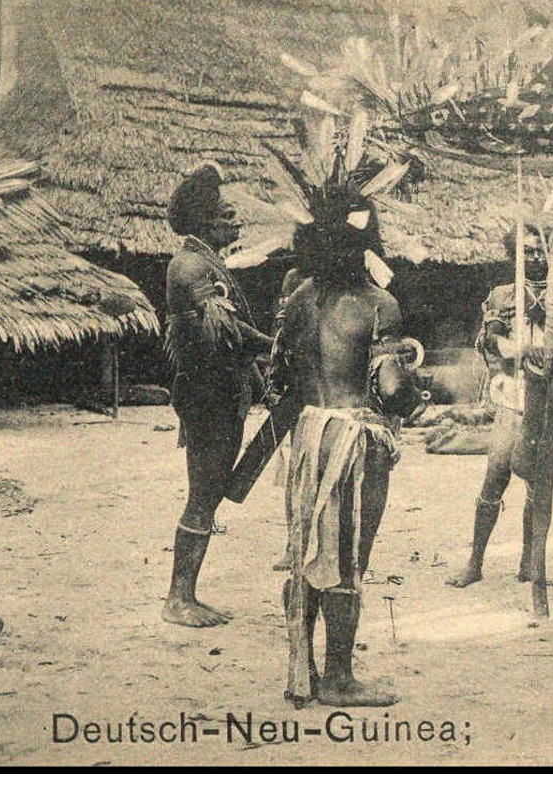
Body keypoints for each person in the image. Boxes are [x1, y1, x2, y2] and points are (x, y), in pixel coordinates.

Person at [271, 161, 429, 707]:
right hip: (353, 441)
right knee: (347, 558)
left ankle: (302, 671)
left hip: (307, 432)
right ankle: (338, 677)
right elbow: (390, 390)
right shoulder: (377, 304)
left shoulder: (298, 298)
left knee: (307, 553)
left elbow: (277, 377)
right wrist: (414, 378)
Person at [445, 225, 553, 590]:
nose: (536, 257)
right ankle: (475, 562)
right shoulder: (502, 296)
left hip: (548, 399)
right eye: (527, 252)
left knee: (539, 483)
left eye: (541, 250)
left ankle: (531, 564)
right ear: (514, 256)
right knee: (496, 472)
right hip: (512, 393)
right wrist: (520, 351)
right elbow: (490, 340)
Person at [161, 163, 272, 628]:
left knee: (209, 491)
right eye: (228, 215)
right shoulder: (190, 266)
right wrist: (273, 345)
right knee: (204, 493)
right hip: (207, 396)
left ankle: (185, 594)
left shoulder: (208, 263)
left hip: (221, 392)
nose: (237, 222)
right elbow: (224, 328)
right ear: (207, 223)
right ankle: (178, 598)